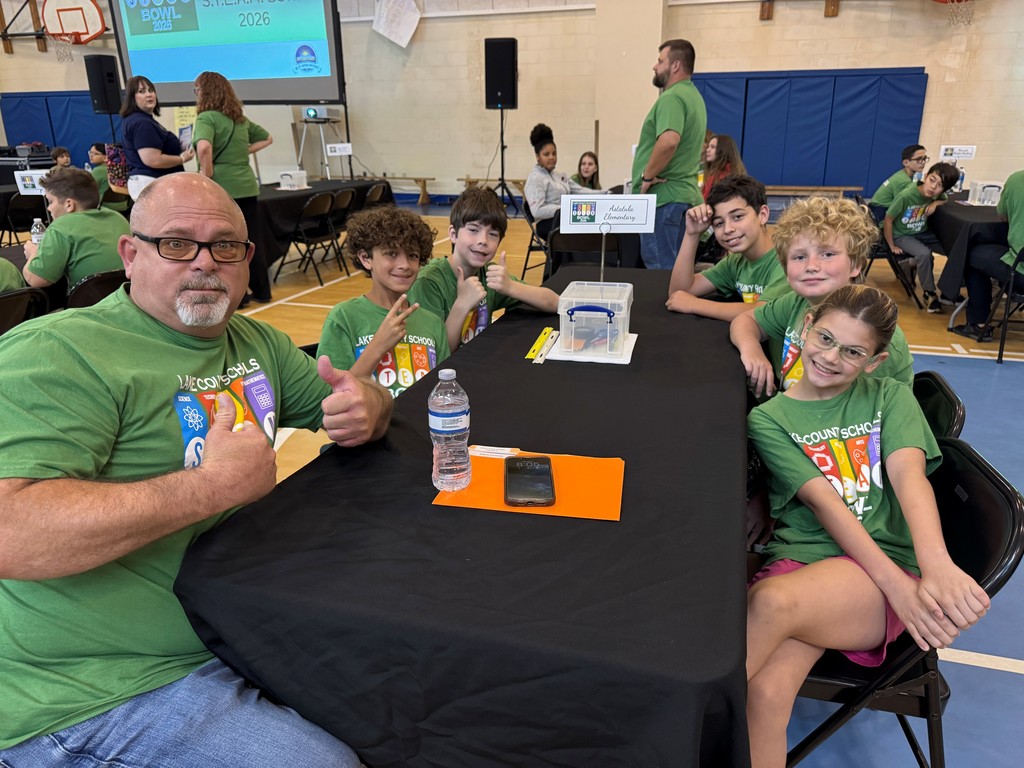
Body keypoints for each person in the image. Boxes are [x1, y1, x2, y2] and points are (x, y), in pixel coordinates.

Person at [0, 173, 390, 767]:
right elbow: (12, 532)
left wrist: (369, 407)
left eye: (225, 246)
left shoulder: (254, 341)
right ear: (130, 255)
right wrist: (208, 487)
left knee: (405, 703)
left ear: (247, 258)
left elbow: (349, 400)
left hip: (243, 627)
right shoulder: (59, 352)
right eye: (177, 244)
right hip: (96, 689)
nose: (205, 264)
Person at [745, 283, 989, 768]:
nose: (832, 357)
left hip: (881, 571)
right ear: (807, 329)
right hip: (809, 562)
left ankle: (679, 721)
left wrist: (929, 568)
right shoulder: (769, 418)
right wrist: (897, 586)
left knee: (770, 602)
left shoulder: (891, 396)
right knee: (767, 694)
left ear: (874, 361)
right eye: (826, 339)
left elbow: (909, 477)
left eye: (853, 351)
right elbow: (827, 507)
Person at [730, 196, 914, 398]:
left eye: (827, 254)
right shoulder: (797, 302)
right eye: (799, 257)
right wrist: (752, 351)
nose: (811, 266)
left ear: (856, 265)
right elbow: (746, 320)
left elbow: (856, 421)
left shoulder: (874, 336)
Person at [318, 205, 450, 398]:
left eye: (412, 255)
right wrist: (378, 346)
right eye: (391, 253)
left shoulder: (433, 323)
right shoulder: (343, 318)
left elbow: (444, 392)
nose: (404, 265)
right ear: (365, 258)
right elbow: (332, 400)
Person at [409, 186, 559, 352]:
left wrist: (510, 287)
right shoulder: (428, 282)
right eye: (473, 230)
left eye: (493, 234)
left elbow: (554, 302)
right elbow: (437, 355)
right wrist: (461, 305)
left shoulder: (489, 274)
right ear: (453, 234)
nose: (483, 240)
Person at [193, 70, 275, 306]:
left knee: (226, 245)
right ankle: (263, 291)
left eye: (197, 90)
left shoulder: (206, 118)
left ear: (204, 92)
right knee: (251, 240)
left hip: (223, 189)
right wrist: (243, 152)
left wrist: (206, 175)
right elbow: (268, 138)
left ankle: (240, 298)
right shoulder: (240, 119)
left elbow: (205, 148)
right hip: (247, 185)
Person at [666, 175, 789, 322]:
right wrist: (692, 234)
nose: (728, 229)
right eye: (719, 223)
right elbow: (679, 292)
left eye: (737, 217)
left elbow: (764, 312)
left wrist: (694, 304)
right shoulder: (736, 261)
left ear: (762, 215)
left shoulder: (787, 259)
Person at [631, 38, 707, 270]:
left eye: (660, 60)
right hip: (683, 197)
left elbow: (668, 141)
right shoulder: (694, 97)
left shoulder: (672, 97)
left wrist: (646, 177)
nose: (655, 66)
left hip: (663, 200)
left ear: (675, 66)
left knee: (660, 274)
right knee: (675, 271)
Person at [21, 166, 129, 290]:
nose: (48, 208)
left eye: (50, 202)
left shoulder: (61, 227)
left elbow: (36, 280)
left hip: (87, 305)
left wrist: (33, 254)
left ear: (69, 204)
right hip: (127, 299)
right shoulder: (118, 218)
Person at [953, 168, 1024, 339]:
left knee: (973, 254)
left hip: (1021, 272)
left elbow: (1003, 216)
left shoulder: (1016, 180)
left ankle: (979, 323)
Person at [883, 161, 960, 313]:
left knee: (956, 248)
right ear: (925, 176)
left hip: (921, 232)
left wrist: (936, 203)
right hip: (902, 234)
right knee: (925, 254)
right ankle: (929, 293)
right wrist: (891, 245)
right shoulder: (906, 195)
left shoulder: (937, 195)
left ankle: (948, 291)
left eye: (940, 185)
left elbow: (945, 199)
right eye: (932, 180)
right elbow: (888, 219)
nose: (933, 187)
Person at [120, 74, 195, 200]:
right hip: (151, 183)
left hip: (152, 182)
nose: (149, 95)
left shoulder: (140, 120)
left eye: (151, 90)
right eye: (141, 91)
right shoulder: (142, 123)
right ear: (132, 98)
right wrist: (181, 159)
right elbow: (152, 159)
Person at [524, 124, 594, 241]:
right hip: (547, 224)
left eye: (554, 153)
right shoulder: (535, 178)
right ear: (537, 157)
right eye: (546, 154)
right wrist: (565, 208)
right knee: (581, 223)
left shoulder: (559, 175)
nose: (551, 157)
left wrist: (605, 194)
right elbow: (537, 211)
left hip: (564, 217)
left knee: (588, 218)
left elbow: (579, 190)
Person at [868, 144, 929, 222]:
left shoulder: (904, 174)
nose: (923, 162)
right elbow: (902, 206)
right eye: (919, 159)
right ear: (906, 162)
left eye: (924, 158)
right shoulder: (903, 181)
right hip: (879, 211)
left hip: (876, 207)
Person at [701, 134, 746, 202]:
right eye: (708, 147)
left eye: (713, 147)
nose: (708, 150)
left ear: (723, 150)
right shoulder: (734, 172)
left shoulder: (723, 177)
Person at [88, 141, 128, 213]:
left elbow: (88, 190)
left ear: (106, 157)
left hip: (104, 207)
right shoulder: (121, 169)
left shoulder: (98, 170)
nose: (91, 155)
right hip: (123, 205)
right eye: (90, 152)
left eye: (95, 154)